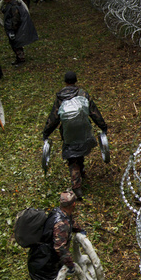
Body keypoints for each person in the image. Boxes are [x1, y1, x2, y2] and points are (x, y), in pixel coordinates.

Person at [42, 71, 108, 200]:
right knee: (81, 148)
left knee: (72, 157)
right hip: (83, 128)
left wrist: (46, 133)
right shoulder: (83, 94)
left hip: (68, 131)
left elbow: (54, 118)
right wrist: (103, 126)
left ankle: (76, 186)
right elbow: (94, 112)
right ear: (76, 81)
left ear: (65, 82)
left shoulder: (60, 97)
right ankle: (82, 172)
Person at [27, 190, 86, 280]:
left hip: (44, 257)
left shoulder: (58, 213)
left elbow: (69, 222)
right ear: (72, 205)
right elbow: (60, 248)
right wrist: (71, 264)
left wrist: (79, 229)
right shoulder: (61, 223)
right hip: (43, 261)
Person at [0, 0, 38, 66]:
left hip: (14, 28)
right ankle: (19, 58)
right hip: (12, 27)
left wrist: (13, 29)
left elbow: (15, 19)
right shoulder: (11, 4)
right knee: (15, 44)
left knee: (16, 44)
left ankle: (21, 59)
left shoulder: (14, 6)